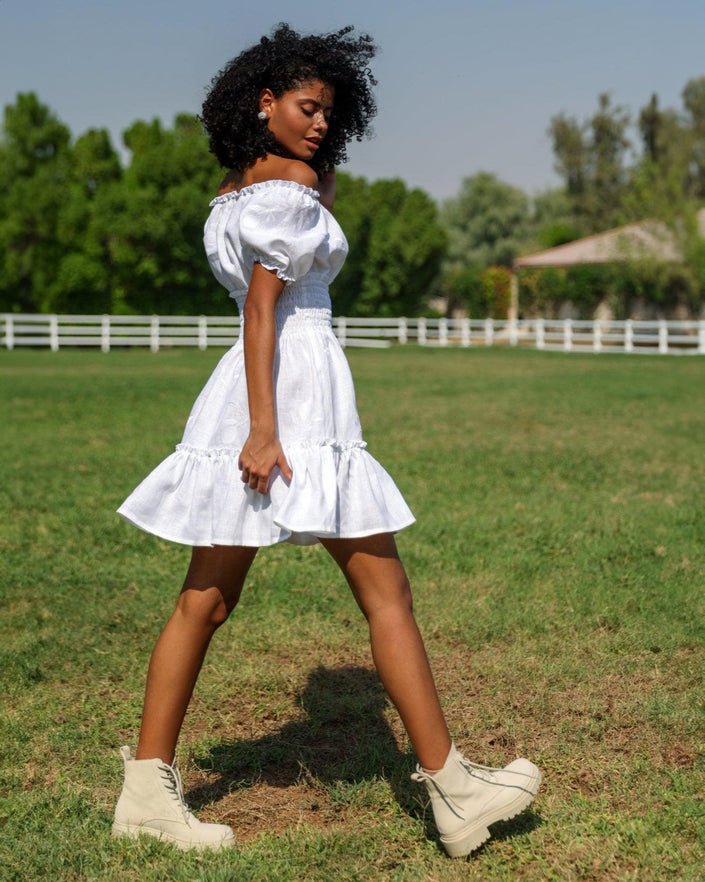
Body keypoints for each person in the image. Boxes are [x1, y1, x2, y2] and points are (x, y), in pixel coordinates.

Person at [112, 23, 541, 858]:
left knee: (207, 599)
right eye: (306, 108)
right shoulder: (290, 185)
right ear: (264, 101)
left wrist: (256, 418)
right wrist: (264, 430)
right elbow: (262, 309)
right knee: (385, 594)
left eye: (328, 113)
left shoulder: (236, 190)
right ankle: (453, 790)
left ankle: (145, 791)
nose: (318, 124)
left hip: (256, 386)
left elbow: (260, 296)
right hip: (291, 394)